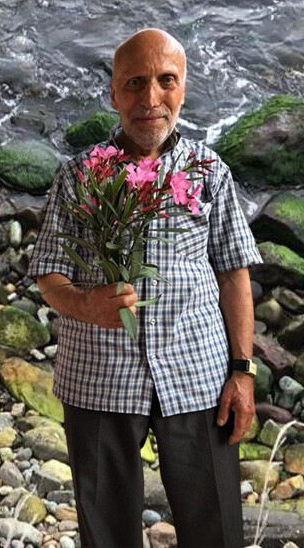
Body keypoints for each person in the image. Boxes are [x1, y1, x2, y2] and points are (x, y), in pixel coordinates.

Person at [29, 28, 261, 547]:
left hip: (198, 373)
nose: (150, 99)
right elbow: (48, 274)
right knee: (105, 531)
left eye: (166, 81)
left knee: (216, 528)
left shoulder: (209, 172)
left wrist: (242, 371)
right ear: (113, 94)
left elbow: (233, 272)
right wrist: (86, 305)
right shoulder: (78, 175)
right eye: (134, 83)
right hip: (98, 375)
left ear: (183, 88)